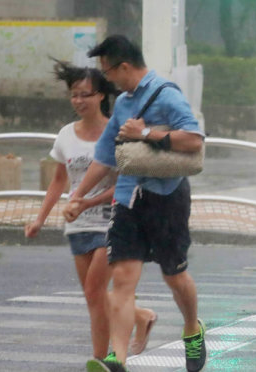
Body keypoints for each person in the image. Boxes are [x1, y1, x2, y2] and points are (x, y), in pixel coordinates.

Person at [62, 36, 206, 372]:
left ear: (123, 66)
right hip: (127, 200)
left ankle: (191, 328)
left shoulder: (167, 94)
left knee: (175, 276)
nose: (107, 79)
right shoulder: (125, 102)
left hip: (166, 196)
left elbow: (194, 140)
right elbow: (105, 156)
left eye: (108, 72)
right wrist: (78, 196)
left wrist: (147, 135)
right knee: (123, 279)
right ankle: (118, 359)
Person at [25, 62, 158, 361]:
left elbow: (126, 182)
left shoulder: (116, 132)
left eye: (86, 94)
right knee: (92, 296)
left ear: (101, 96)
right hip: (77, 224)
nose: (79, 101)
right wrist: (40, 219)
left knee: (95, 290)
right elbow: (59, 180)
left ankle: (101, 359)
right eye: (74, 94)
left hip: (112, 221)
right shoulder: (65, 135)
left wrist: (88, 201)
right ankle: (138, 316)